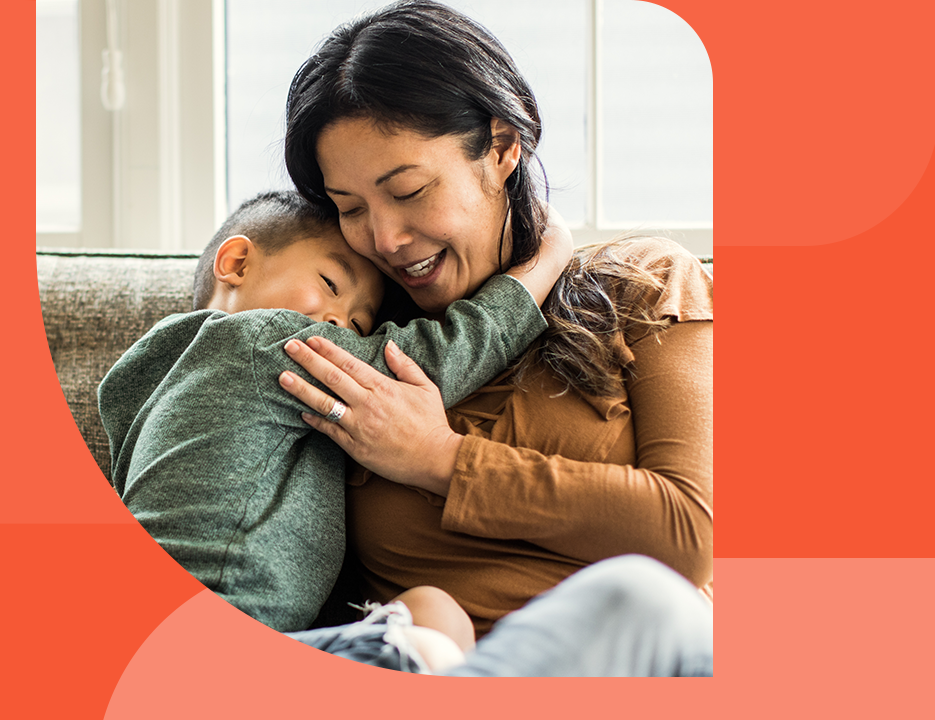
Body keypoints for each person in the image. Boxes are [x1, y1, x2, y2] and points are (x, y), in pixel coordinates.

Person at [277, 0, 713, 673]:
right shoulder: (352, 349)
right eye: (351, 210)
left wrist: (437, 458)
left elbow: (687, 534)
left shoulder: (643, 283)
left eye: (411, 190)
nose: (386, 239)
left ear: (504, 146)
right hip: (420, 669)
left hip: (625, 660)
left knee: (644, 597)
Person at [97, 190, 570, 633]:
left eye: (359, 324)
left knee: (427, 617)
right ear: (236, 262)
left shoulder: (150, 379)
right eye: (330, 283)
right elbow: (430, 361)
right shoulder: (262, 341)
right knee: (433, 617)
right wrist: (543, 262)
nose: (339, 323)